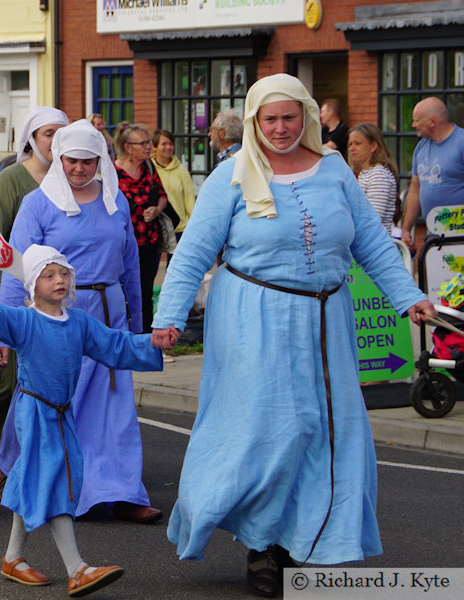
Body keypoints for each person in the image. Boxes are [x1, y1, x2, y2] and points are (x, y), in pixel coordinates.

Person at [151, 73, 435, 597]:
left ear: (304, 116)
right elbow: (192, 254)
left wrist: (409, 297)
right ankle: (263, 544)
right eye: (269, 119)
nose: (280, 129)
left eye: (289, 117)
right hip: (252, 318)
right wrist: (168, 317)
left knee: (325, 431)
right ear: (255, 121)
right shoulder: (231, 174)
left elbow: (371, 241)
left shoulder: (333, 171)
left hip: (328, 318)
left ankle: (306, 542)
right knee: (273, 431)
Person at [0, 246, 162, 596]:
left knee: (35, 477)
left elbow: (115, 345)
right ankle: (77, 568)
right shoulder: (24, 320)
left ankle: (13, 558)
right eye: (48, 274)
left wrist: (155, 345)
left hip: (61, 413)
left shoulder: (79, 322)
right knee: (55, 480)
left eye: (63, 273)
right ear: (32, 283)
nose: (59, 280)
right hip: (35, 412)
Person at [0, 119, 163, 523]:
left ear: (101, 160)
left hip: (108, 314)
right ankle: (28, 473)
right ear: (59, 157)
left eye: (89, 161)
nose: (80, 169)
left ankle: (120, 489)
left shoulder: (116, 202)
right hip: (55, 316)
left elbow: (129, 267)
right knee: (51, 400)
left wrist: (138, 325)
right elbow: (15, 269)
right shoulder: (37, 204)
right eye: (72, 160)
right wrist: (5, 334)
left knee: (111, 406)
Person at [0, 106, 68, 441]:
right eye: (48, 134)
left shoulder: (69, 181)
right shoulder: (12, 180)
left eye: (61, 135)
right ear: (32, 138)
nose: (55, 142)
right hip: (19, 297)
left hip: (57, 298)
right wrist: (13, 298)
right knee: (6, 378)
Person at [114, 123, 168, 334]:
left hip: (149, 241)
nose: (149, 147)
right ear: (129, 147)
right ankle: (124, 335)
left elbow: (162, 195)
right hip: (125, 244)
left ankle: (144, 337)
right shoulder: (114, 173)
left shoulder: (150, 168)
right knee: (123, 290)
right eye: (143, 143)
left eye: (149, 142)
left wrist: (156, 210)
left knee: (145, 290)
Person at [401, 96, 464, 251]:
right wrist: (406, 229)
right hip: (434, 237)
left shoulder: (461, 142)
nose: (413, 125)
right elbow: (415, 190)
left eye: (417, 120)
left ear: (432, 122)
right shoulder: (420, 149)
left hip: (460, 234)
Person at [347, 123, 399, 234]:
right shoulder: (365, 173)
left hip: (376, 246)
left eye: (358, 143)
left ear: (373, 146)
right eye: (350, 144)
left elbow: (373, 219)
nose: (352, 148)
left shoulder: (379, 174)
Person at [151, 128, 196, 244]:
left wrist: (193, 224)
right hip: (156, 228)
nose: (168, 147)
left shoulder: (181, 170)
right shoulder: (149, 169)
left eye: (171, 144)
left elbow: (189, 199)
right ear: (154, 147)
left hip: (179, 228)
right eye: (164, 144)